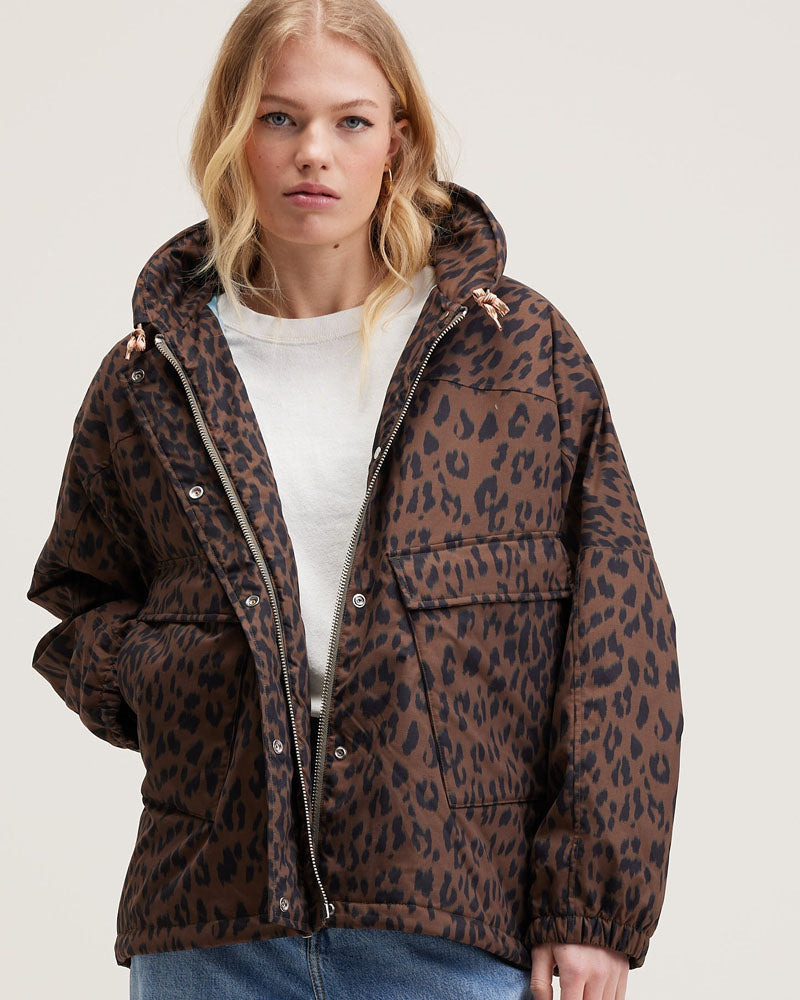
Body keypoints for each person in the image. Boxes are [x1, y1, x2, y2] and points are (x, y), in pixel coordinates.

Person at [26, 2, 683, 999]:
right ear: (233, 134)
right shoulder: (153, 376)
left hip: (449, 923)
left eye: (351, 121)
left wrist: (591, 909)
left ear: (398, 142)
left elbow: (619, 633)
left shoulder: (514, 354)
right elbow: (80, 598)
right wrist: (171, 676)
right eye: (279, 118)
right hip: (212, 926)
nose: (313, 153)